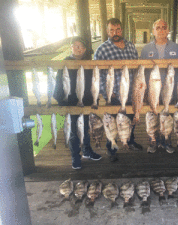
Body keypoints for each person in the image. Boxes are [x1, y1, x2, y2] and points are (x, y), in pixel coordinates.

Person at [94, 18, 143, 162]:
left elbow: (135, 69)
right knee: (112, 122)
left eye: (118, 30)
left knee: (132, 118)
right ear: (107, 31)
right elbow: (99, 75)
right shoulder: (102, 50)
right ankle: (111, 149)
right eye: (111, 30)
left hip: (131, 92)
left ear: (122, 30)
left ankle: (130, 140)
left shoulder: (130, 46)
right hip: (114, 93)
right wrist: (106, 92)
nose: (115, 33)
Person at [53, 36, 101, 170]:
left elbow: (94, 83)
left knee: (85, 127)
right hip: (70, 101)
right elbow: (58, 82)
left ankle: (87, 151)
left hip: (85, 101)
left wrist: (94, 100)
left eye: (81, 46)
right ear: (71, 48)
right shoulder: (65, 63)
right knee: (73, 130)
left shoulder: (89, 63)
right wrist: (60, 99)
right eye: (75, 46)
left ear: (85, 49)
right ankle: (75, 156)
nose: (78, 48)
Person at [140, 19, 178, 154]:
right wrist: (144, 90)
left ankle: (167, 141)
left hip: (169, 89)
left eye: (164, 27)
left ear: (168, 30)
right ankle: (153, 142)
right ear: (153, 31)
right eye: (157, 27)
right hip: (152, 89)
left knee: (167, 116)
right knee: (151, 117)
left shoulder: (176, 48)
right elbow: (143, 71)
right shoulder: (146, 49)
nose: (161, 30)